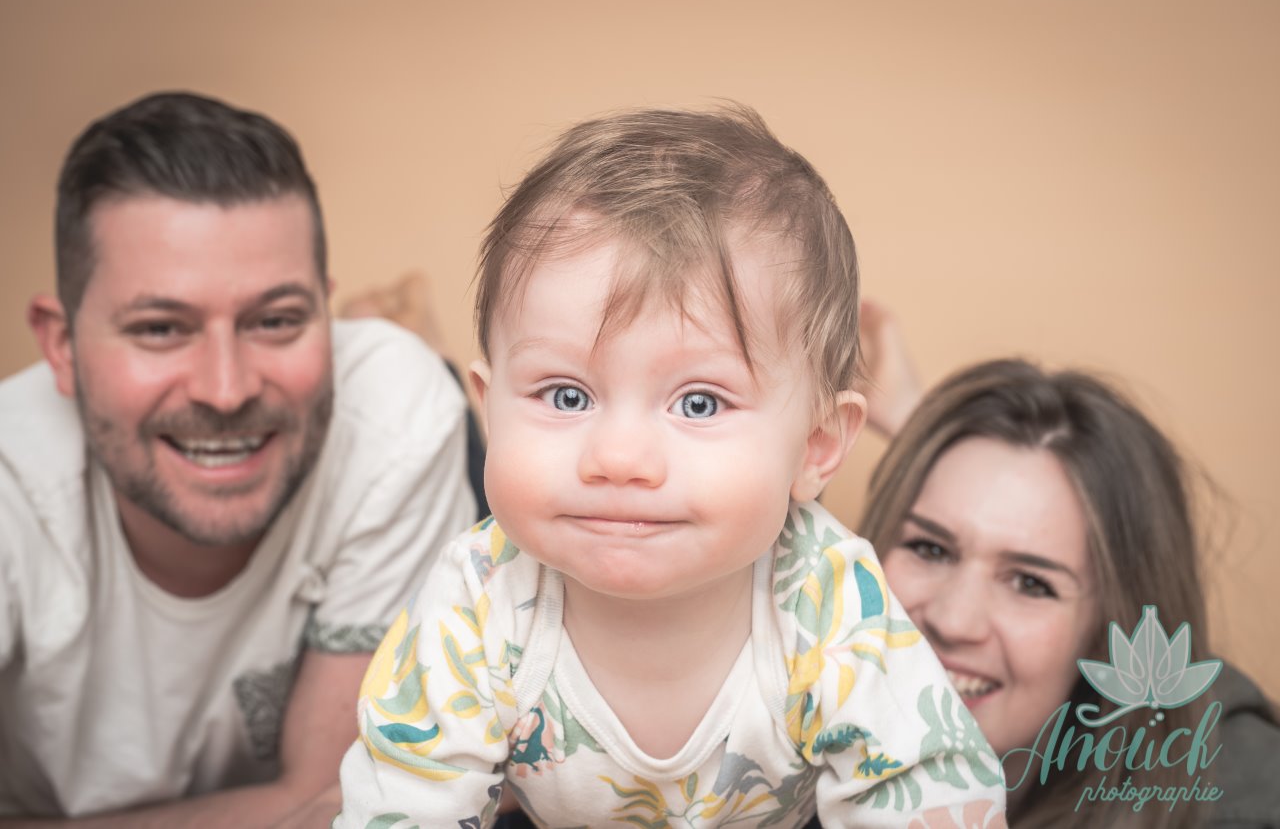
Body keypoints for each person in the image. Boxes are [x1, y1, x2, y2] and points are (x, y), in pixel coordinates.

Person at [334, 105, 1007, 828]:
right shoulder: (477, 600)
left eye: (698, 404)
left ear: (816, 446)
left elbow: (932, 792)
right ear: (491, 413)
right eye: (566, 395)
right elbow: (403, 802)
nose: (619, 458)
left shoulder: (829, 603)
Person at [0, 92, 477, 827]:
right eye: (160, 329)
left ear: (323, 313)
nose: (225, 391)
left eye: (276, 320)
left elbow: (335, 800)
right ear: (61, 345)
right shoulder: (14, 481)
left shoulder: (394, 413)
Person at [858, 339, 1280, 827]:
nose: (953, 620)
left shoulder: (1235, 797)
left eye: (1030, 583)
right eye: (930, 548)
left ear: (1111, 633)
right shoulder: (801, 717)